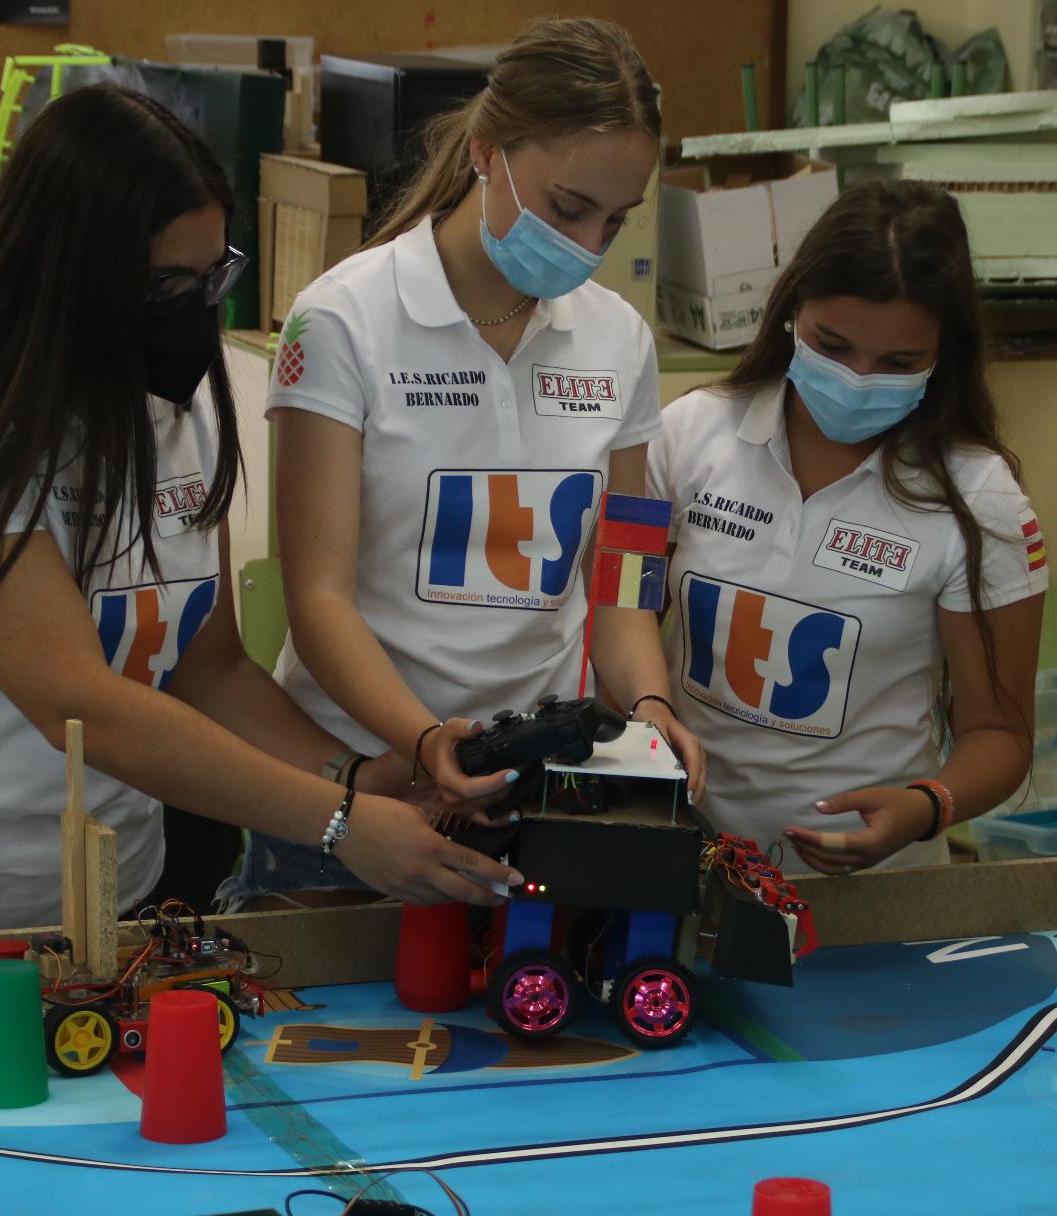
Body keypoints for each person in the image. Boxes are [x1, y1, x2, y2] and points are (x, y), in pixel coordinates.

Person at [0, 85, 516, 944]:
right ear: (64, 275)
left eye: (211, 276)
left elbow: (211, 668)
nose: (194, 311)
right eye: (164, 284)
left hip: (102, 888)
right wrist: (337, 823)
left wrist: (353, 777)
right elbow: (81, 706)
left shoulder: (177, 407)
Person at [242, 18, 704, 902]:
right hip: (362, 785)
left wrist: (649, 707)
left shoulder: (620, 341)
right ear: (487, 152)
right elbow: (319, 597)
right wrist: (423, 743)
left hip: (537, 790)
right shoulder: (345, 319)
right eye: (569, 209)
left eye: (616, 220)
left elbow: (626, 571)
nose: (587, 245)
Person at [647, 179, 1047, 878]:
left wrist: (926, 805)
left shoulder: (980, 501)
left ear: (943, 355)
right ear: (791, 309)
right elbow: (620, 617)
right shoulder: (691, 434)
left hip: (871, 890)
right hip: (686, 860)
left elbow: (1001, 735)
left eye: (898, 364)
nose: (858, 380)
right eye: (831, 346)